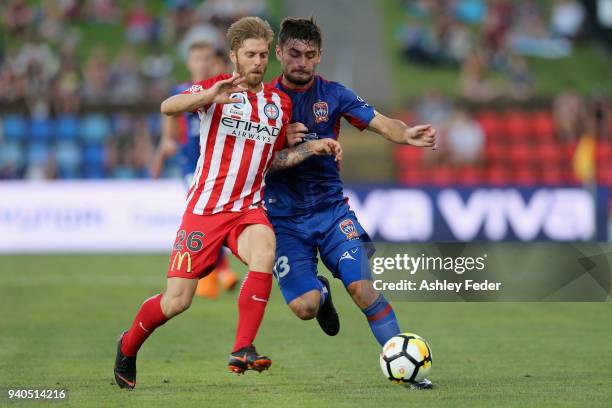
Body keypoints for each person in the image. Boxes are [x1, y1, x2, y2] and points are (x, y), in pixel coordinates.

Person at [114, 16, 343, 389]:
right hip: (205, 209)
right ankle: (127, 345)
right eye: (250, 54)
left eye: (262, 54)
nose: (257, 61)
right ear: (234, 55)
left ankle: (243, 348)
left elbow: (272, 160)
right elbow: (168, 107)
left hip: (248, 209)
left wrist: (309, 148)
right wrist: (206, 97)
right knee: (177, 301)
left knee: (265, 252)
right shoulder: (215, 87)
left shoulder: (278, 103)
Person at [265, 17, 437, 389]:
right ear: (279, 53)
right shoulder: (261, 102)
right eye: (294, 53)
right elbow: (245, 156)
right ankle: (321, 292)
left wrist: (405, 133)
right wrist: (279, 139)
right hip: (283, 221)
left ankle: (408, 373)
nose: (302, 62)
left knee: (361, 289)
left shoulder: (335, 94)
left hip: (331, 213)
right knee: (305, 307)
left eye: (310, 55)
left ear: (319, 56)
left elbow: (380, 122)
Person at [150, 40, 239, 300]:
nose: (202, 63)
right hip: (192, 167)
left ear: (213, 61)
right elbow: (169, 126)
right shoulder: (181, 92)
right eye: (196, 58)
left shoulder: (222, 90)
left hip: (221, 167)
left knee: (216, 219)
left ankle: (215, 272)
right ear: (189, 63)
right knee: (205, 218)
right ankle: (219, 273)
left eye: (206, 58)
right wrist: (161, 154)